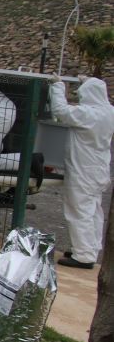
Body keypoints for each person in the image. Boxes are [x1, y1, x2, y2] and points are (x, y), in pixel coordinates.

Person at [49, 74, 114, 269]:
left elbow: (60, 111)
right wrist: (88, 81)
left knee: (79, 210)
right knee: (93, 209)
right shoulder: (109, 112)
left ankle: (83, 255)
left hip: (83, 170)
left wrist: (58, 86)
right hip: (99, 168)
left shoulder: (88, 115)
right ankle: (89, 249)